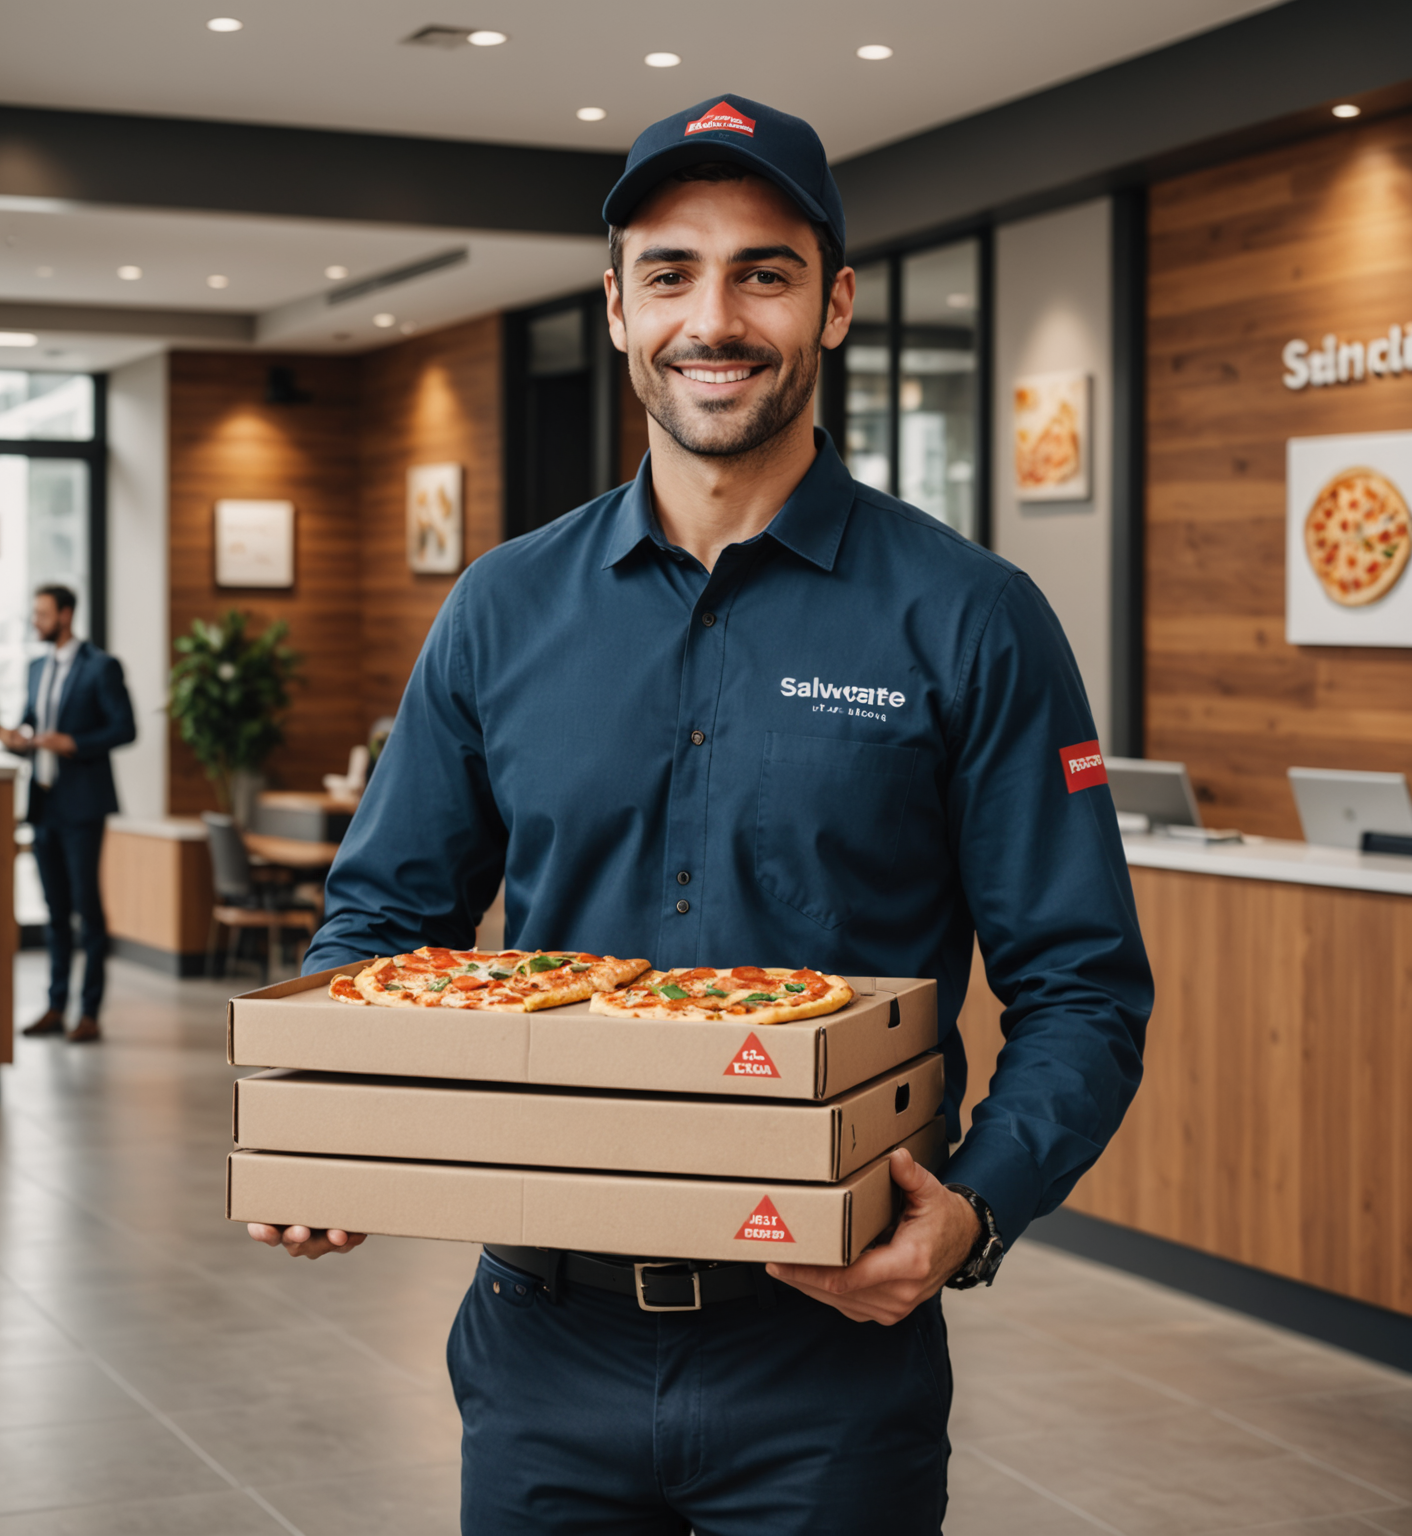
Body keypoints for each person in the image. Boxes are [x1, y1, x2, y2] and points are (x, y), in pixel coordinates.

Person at [252, 94, 1153, 1534]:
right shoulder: (499, 610)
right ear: (616, 308)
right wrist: (330, 1121)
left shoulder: (974, 618)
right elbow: (387, 920)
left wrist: (972, 1215)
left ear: (837, 305)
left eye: (764, 272)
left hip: (827, 1365)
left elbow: (1084, 986)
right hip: (540, 1343)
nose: (712, 317)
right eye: (670, 271)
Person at [0, 585, 136, 1044]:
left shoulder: (101, 666)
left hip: (83, 804)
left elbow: (124, 728)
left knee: (86, 908)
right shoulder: (37, 668)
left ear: (66, 614)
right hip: (43, 802)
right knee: (55, 908)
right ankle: (56, 1005)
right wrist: (19, 738)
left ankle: (89, 1011)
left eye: (42, 613)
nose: (35, 620)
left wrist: (74, 743)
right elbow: (32, 723)